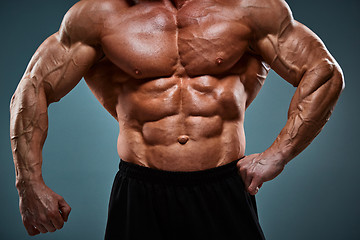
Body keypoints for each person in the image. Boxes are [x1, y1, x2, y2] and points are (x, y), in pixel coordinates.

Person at [10, 0, 344, 239]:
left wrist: (278, 155)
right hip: (140, 190)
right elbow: (32, 87)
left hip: (223, 187)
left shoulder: (251, 9)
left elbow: (324, 73)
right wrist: (29, 185)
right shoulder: (99, 15)